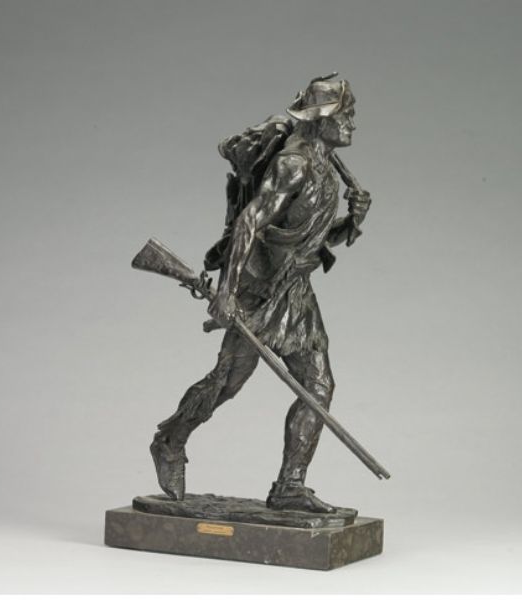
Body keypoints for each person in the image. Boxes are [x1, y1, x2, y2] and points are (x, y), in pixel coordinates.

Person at [150, 74, 371, 512]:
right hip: (261, 290)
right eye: (345, 115)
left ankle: (290, 485)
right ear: (322, 119)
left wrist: (352, 222)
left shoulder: (325, 166)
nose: (351, 123)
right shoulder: (294, 164)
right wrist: (227, 291)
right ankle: (170, 440)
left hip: (295, 289)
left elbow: (307, 239)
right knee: (227, 383)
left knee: (319, 385)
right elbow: (250, 222)